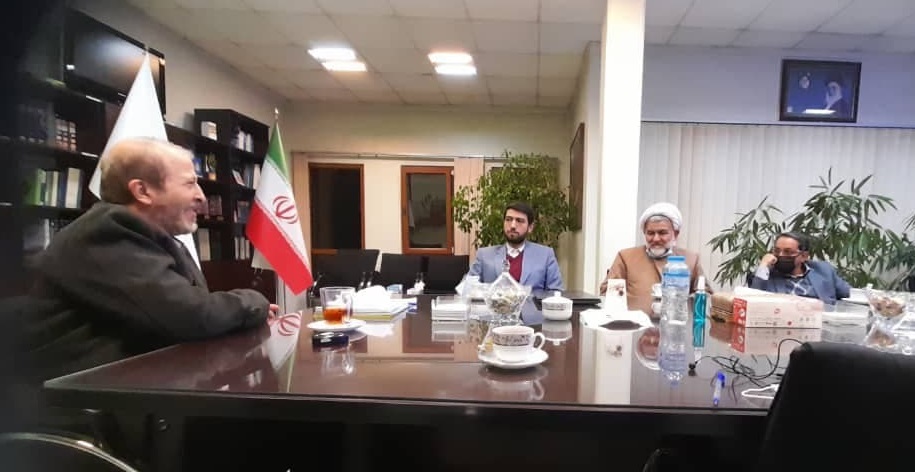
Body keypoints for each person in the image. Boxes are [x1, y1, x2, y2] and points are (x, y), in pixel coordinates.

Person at [21, 137, 276, 382]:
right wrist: (255, 302)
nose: (201, 196)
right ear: (142, 191)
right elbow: (190, 315)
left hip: (133, 389)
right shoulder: (107, 232)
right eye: (189, 184)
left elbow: (193, 309)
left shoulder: (152, 238)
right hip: (81, 403)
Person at [599, 202, 709, 314]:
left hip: (676, 323)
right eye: (650, 233)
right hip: (634, 323)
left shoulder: (691, 259)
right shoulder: (626, 257)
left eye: (662, 233)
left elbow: (706, 296)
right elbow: (606, 293)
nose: (656, 239)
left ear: (675, 234)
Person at [466, 202, 563, 291]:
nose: (512, 225)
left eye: (519, 221)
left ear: (530, 227)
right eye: (508, 219)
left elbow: (556, 293)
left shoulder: (545, 255)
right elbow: (467, 289)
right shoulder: (484, 255)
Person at [750, 231, 850, 305]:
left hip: (822, 321)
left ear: (804, 256)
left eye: (788, 252)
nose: (780, 255)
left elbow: (846, 293)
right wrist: (763, 265)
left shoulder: (823, 270)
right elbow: (753, 301)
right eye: (777, 251)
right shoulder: (765, 275)